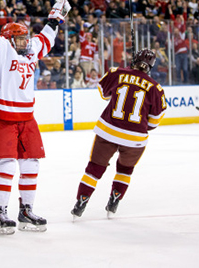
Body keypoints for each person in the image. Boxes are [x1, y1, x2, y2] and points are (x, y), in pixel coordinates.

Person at [0, 0, 71, 234]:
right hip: (4, 117)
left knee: (31, 164)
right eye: (20, 39)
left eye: (26, 38)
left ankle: (26, 210)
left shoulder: (29, 52)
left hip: (27, 118)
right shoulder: (1, 51)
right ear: (9, 39)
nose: (26, 43)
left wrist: (56, 16)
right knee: (6, 164)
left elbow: (45, 39)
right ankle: (0, 213)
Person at [71, 49, 167, 219]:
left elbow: (103, 93)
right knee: (125, 169)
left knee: (95, 168)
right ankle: (114, 201)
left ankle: (81, 202)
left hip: (108, 130)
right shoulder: (155, 88)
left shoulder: (117, 72)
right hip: (135, 138)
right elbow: (154, 122)